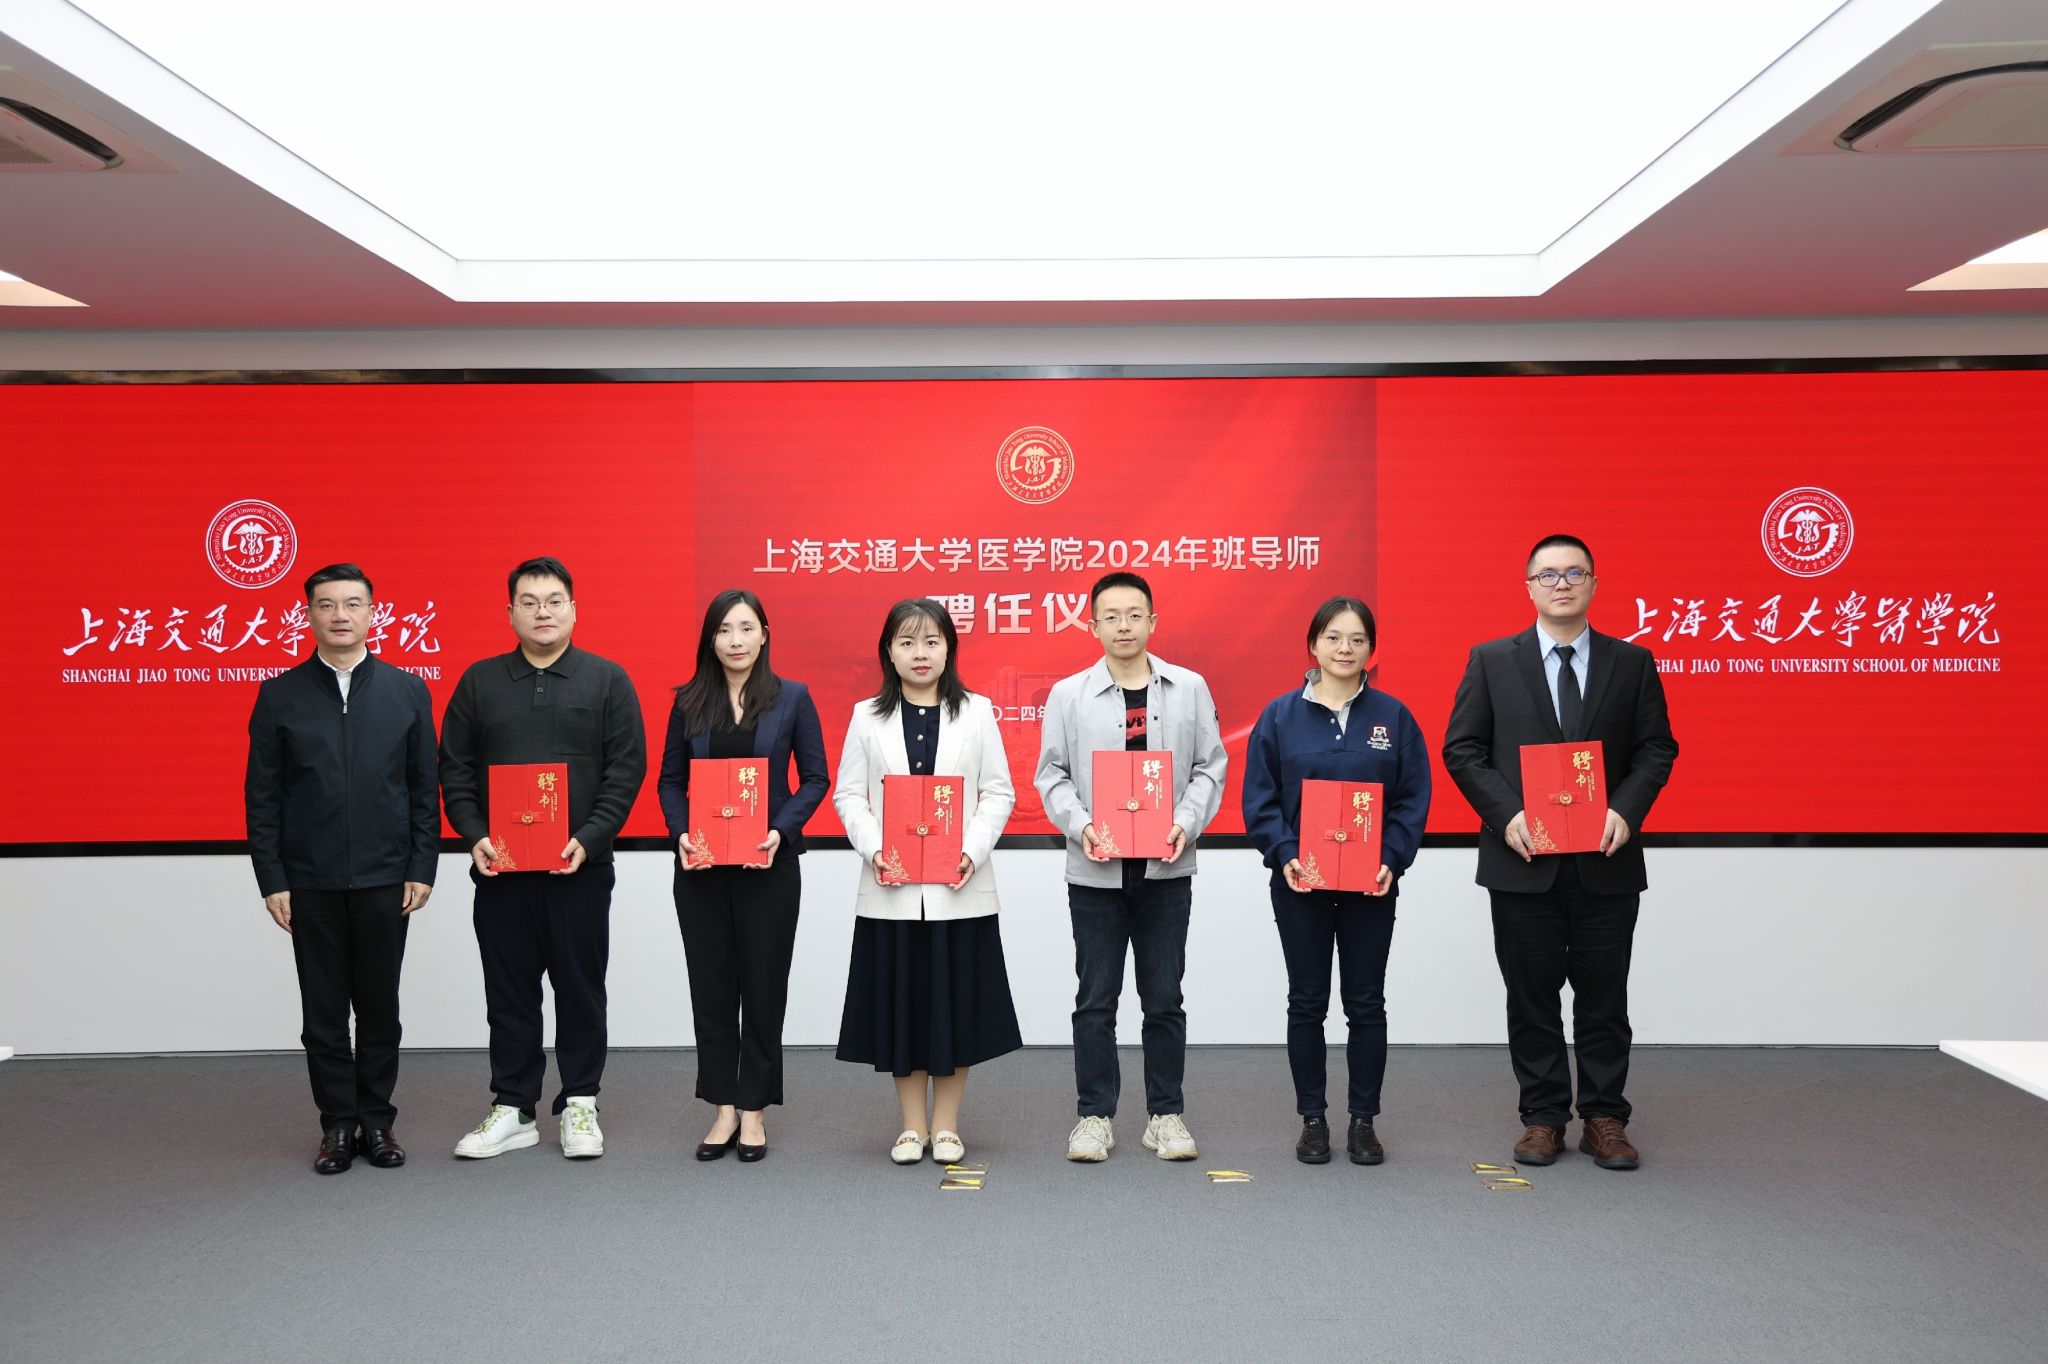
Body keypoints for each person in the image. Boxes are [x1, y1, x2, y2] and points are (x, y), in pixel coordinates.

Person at [1443, 534, 1678, 1171]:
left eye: (1575, 572)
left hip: (1606, 860)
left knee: (1605, 997)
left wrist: (1624, 810)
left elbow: (1657, 748)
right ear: (1529, 588)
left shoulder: (1632, 663)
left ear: (1594, 584)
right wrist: (1508, 816)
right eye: (1548, 574)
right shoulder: (1492, 660)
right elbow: (1462, 749)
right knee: (1532, 997)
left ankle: (1604, 1117)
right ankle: (1543, 1117)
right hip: (1523, 862)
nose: (1562, 583)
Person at [439, 556, 646, 1160]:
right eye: (528, 603)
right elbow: (454, 769)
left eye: (554, 601)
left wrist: (591, 837)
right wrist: (474, 834)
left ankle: (581, 1100)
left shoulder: (607, 680)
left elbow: (625, 769)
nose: (542, 612)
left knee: (580, 989)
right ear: (510, 613)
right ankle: (514, 1106)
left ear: (574, 609)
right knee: (508, 991)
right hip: (500, 871)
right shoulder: (479, 682)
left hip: (579, 869)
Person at [245, 562, 439, 1175]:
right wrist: (273, 878)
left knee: (380, 1009)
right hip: (311, 882)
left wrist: (422, 865)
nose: (340, 616)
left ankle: (377, 1121)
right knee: (324, 1012)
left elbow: (423, 788)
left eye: (353, 604)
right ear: (308, 615)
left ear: (372, 613)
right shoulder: (280, 695)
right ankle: (337, 1124)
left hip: (386, 878)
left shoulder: (407, 691)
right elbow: (263, 796)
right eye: (326, 605)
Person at [1035, 571, 1226, 1162]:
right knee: (1095, 999)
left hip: (1166, 869)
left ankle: (1165, 1115)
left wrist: (1185, 823)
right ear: (1092, 625)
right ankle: (1094, 1116)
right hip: (1095, 872)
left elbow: (1210, 766)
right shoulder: (1068, 695)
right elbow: (1051, 774)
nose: (1123, 625)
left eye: (1134, 614)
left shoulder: (1189, 688)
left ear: (1153, 622)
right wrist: (1082, 827)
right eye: (1111, 616)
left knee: (1164, 998)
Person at [832, 599, 1022, 1165]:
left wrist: (970, 851)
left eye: (932, 641)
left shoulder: (978, 712)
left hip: (957, 887)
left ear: (949, 649)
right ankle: (912, 1127)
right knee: (904, 1006)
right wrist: (875, 849)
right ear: (888, 652)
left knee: (955, 1007)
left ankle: (947, 1126)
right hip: (891, 888)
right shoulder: (866, 716)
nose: (920, 653)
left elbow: (998, 791)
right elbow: (850, 795)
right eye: (907, 642)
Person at [1242, 596, 1431, 1166]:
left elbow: (1412, 797)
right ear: (1313, 645)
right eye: (1333, 637)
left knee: (1366, 1002)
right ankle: (1313, 1120)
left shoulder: (1394, 716)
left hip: (1371, 884)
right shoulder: (1280, 716)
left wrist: (1392, 858)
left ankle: (1364, 1120)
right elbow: (1260, 797)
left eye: (1356, 639)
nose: (1344, 648)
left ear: (1372, 648)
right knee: (1307, 1002)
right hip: (1301, 883)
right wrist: (1283, 853)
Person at [657, 588, 828, 1163]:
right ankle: (723, 1107)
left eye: (746, 628)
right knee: (710, 990)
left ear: (764, 635)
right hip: (701, 869)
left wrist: (781, 829)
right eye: (725, 630)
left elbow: (815, 779)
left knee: (762, 988)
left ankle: (753, 1109)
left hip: (767, 867)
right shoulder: (688, 702)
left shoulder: (792, 698)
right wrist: (681, 832)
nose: (736, 640)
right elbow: (670, 781)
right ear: (711, 639)